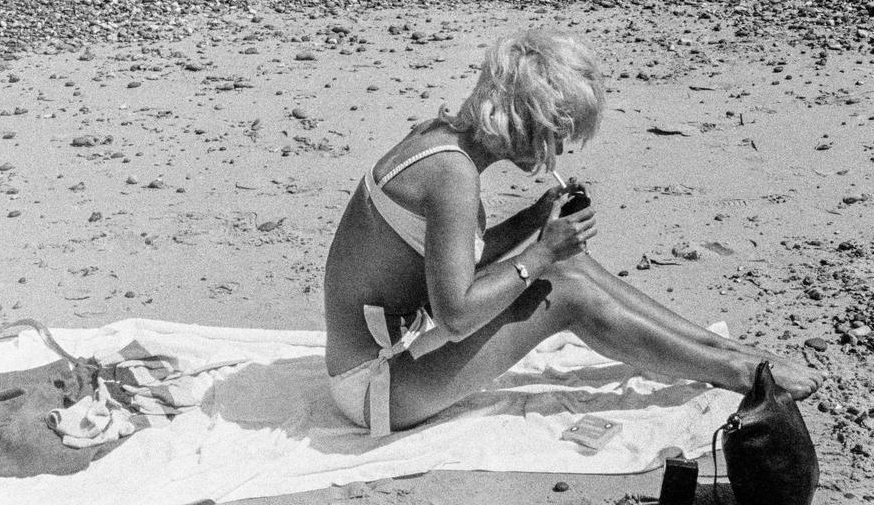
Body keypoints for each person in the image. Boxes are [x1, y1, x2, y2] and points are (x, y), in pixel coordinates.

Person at [323, 28, 823, 437]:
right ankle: (738, 373)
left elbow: (450, 260)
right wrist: (539, 255)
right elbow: (455, 315)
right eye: (558, 136)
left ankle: (728, 353)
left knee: (571, 263)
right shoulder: (453, 175)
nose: (557, 153)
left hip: (398, 350)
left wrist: (534, 222)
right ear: (528, 122)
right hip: (374, 386)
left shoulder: (439, 142)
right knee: (564, 291)